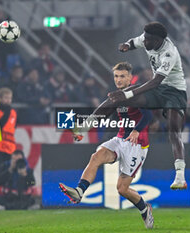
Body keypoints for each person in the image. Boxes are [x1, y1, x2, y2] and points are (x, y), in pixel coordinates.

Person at [59, 62, 154, 229]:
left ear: (130, 77)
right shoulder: (116, 97)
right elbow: (101, 112)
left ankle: (144, 209)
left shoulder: (137, 94)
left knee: (122, 189)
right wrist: (83, 129)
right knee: (95, 157)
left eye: (122, 76)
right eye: (116, 76)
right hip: (119, 140)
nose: (118, 79)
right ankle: (79, 192)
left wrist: (137, 130)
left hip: (137, 145)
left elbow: (148, 115)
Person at [108, 22, 187, 189]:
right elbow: (133, 42)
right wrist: (126, 46)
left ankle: (180, 176)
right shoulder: (147, 38)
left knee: (173, 129)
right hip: (158, 89)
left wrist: (129, 93)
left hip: (174, 91)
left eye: (148, 39)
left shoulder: (169, 53)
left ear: (158, 40)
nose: (144, 41)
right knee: (120, 98)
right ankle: (89, 122)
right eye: (144, 37)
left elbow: (156, 81)